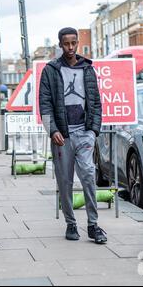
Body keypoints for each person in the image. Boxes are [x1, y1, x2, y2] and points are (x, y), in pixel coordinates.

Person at [39, 27, 107, 244]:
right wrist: (53, 130)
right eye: (66, 44)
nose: (70, 48)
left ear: (77, 43)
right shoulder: (51, 70)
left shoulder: (88, 68)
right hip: (62, 136)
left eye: (73, 43)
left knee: (88, 176)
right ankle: (71, 224)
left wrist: (93, 131)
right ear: (60, 45)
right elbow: (45, 104)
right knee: (65, 180)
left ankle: (93, 225)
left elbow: (96, 102)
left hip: (84, 133)